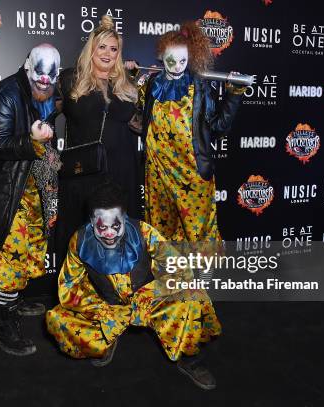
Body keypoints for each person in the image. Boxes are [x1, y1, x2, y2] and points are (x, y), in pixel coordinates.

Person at [46, 182, 222, 389]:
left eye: (116, 225)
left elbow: (182, 271)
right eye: (101, 227)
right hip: (109, 308)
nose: (109, 233)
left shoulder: (145, 232)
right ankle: (107, 338)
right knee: (59, 319)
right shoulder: (79, 241)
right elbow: (69, 286)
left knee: (192, 297)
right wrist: (101, 310)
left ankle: (189, 358)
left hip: (150, 302)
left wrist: (150, 294)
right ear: (92, 222)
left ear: (125, 219)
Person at [0, 43, 62, 356]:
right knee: (6, 261)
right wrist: (30, 140)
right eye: (38, 78)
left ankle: (14, 302)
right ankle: (1, 326)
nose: (44, 85)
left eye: (50, 78)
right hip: (6, 193)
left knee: (25, 254)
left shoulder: (45, 94)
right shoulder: (5, 96)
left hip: (31, 189)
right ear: (27, 67)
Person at [137, 21, 246, 243]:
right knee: (161, 231)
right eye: (171, 61)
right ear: (160, 57)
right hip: (158, 175)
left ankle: (205, 274)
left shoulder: (199, 87)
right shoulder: (150, 85)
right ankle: (170, 273)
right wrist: (129, 77)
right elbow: (136, 114)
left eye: (183, 61)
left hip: (192, 172)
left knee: (201, 230)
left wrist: (234, 94)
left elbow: (218, 126)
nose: (177, 67)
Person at [54, 15, 142, 270]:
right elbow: (44, 113)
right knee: (79, 235)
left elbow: (140, 125)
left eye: (113, 49)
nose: (108, 53)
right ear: (91, 48)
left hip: (121, 172)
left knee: (118, 236)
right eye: (102, 46)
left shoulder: (125, 83)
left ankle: (118, 290)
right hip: (84, 174)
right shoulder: (70, 79)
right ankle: (77, 293)